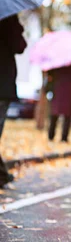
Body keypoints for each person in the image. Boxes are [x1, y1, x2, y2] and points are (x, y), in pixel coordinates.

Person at [0, 15, 27, 187]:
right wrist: (18, 28)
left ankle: (2, 175)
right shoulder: (7, 15)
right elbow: (20, 45)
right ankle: (2, 175)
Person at [47, 59, 71, 142]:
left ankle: (51, 135)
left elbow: (51, 72)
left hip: (59, 86)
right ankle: (64, 137)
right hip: (69, 88)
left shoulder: (58, 57)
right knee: (67, 114)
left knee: (55, 113)